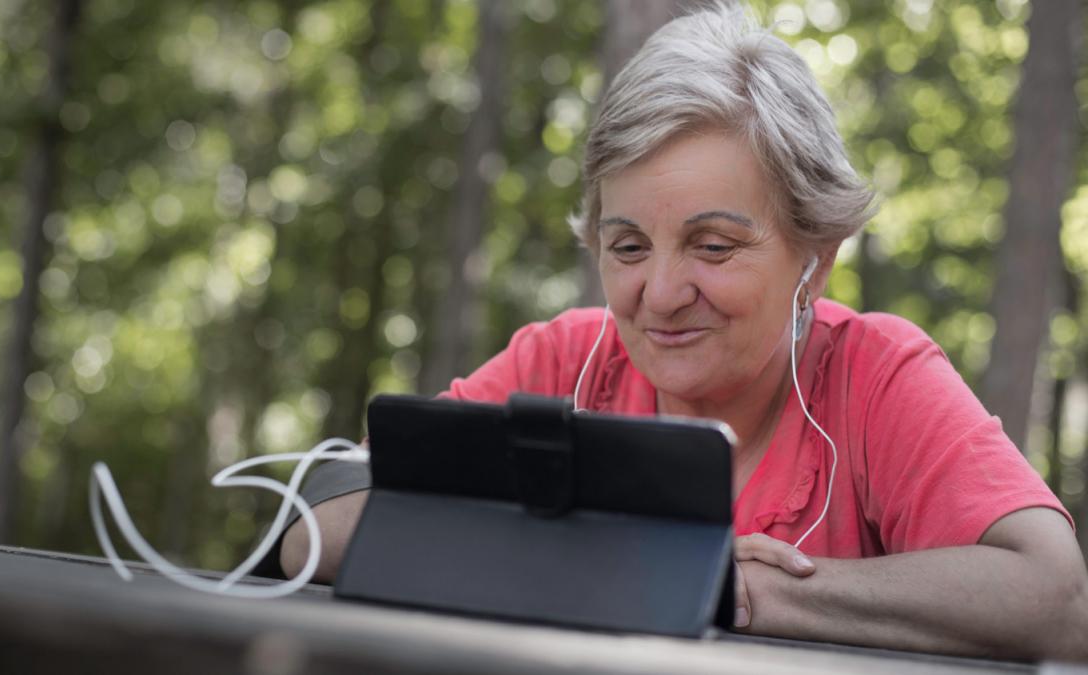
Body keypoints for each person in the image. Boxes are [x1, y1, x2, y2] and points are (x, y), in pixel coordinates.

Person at [269, 5, 1088, 660]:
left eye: (714, 245)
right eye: (627, 246)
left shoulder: (875, 375)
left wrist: (749, 590)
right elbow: (317, 529)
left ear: (817, 256)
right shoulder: (562, 359)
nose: (660, 294)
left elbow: (1056, 597)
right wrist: (649, 566)